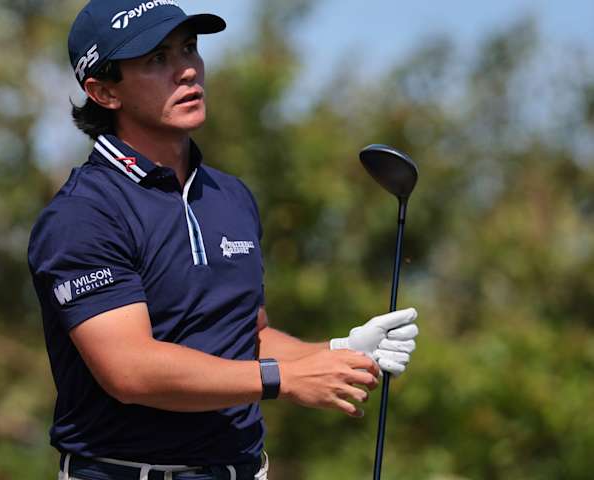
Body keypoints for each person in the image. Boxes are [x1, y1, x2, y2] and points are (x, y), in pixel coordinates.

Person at [27, 2, 419, 479]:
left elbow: (245, 337)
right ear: (104, 91)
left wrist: (335, 353)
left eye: (189, 48)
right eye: (157, 59)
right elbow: (130, 369)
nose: (187, 69)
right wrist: (286, 378)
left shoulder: (230, 196)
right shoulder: (83, 214)